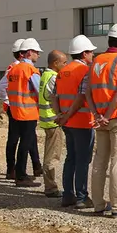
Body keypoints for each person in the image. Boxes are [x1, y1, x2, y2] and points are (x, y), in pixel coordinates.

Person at [84, 23, 117, 218]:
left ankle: (99, 204)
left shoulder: (97, 61)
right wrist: (107, 115)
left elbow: (87, 92)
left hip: (101, 120)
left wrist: (98, 115)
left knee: (99, 162)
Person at [54, 35, 97, 209]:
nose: (93, 55)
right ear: (84, 53)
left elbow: (54, 96)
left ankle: (68, 195)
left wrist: (60, 114)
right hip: (81, 121)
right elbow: (81, 98)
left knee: (70, 158)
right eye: (91, 52)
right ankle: (81, 196)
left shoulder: (62, 72)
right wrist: (68, 115)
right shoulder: (85, 71)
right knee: (82, 160)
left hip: (67, 122)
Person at [0, 39, 42, 179]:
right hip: (28, 111)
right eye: (36, 52)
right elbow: (40, 92)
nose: (38, 55)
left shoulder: (13, 69)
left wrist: (10, 102)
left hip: (16, 110)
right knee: (26, 141)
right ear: (27, 53)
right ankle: (21, 173)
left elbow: (6, 89)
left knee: (18, 140)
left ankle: (18, 169)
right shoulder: (29, 70)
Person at [38, 50, 67, 197]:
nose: (65, 65)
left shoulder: (45, 75)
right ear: (55, 63)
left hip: (47, 119)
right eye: (64, 62)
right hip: (53, 121)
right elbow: (55, 98)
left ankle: (50, 186)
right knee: (52, 156)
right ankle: (50, 188)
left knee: (50, 153)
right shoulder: (54, 77)